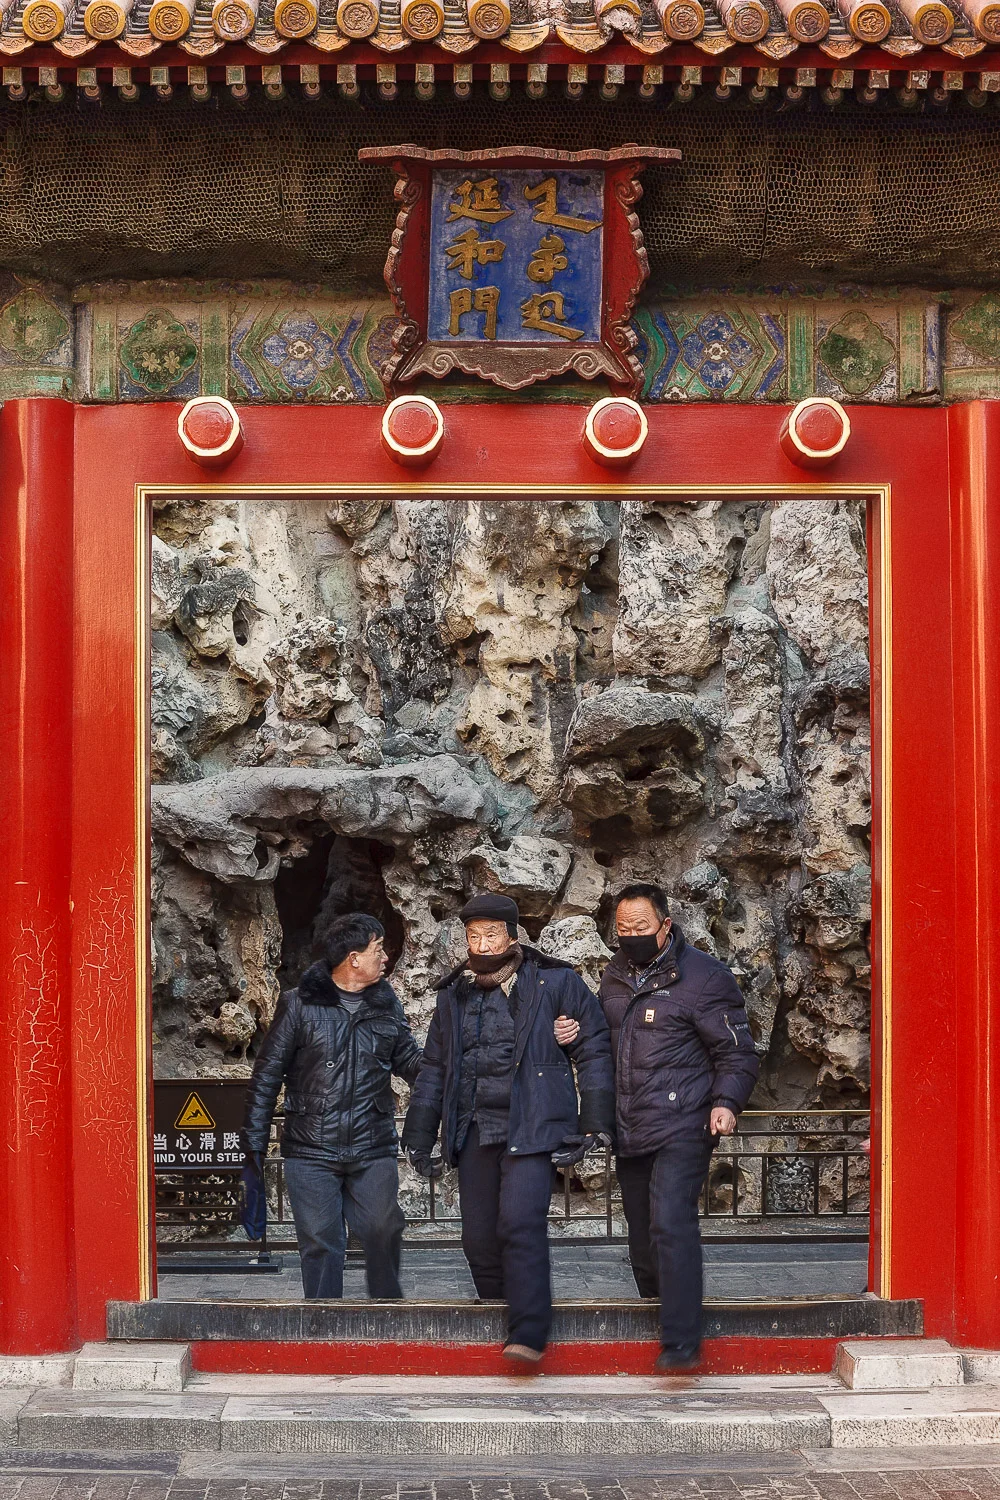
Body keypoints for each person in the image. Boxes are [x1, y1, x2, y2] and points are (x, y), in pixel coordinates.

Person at [401, 892, 615, 1367]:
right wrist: (418, 1134)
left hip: (533, 1122)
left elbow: (595, 1048)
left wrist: (595, 1123)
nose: (481, 943)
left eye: (491, 934)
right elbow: (435, 1066)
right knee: (477, 1236)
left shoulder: (554, 982)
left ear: (513, 935)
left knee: (519, 1224)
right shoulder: (454, 993)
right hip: (473, 1125)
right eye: (473, 935)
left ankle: (529, 1329)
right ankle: (498, 1315)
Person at [555, 881, 759, 1373]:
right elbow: (605, 1043)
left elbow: (736, 1051)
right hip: (631, 1122)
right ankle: (656, 1308)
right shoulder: (615, 975)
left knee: (671, 1223)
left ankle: (682, 1338)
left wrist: (725, 1101)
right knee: (642, 1234)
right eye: (622, 929)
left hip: (685, 1119)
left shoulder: (705, 977)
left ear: (666, 925)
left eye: (640, 927)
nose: (631, 936)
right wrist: (572, 1034)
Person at [241, 912, 422, 1300]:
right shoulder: (299, 1004)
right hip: (311, 1147)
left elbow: (412, 1063)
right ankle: (325, 1325)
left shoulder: (387, 1006)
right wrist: (253, 1142)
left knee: (382, 1229)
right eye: (378, 948)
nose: (386, 956)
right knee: (321, 1244)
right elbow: (267, 1074)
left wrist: (451, 1064)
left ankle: (387, 1310)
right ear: (354, 958)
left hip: (372, 1143)